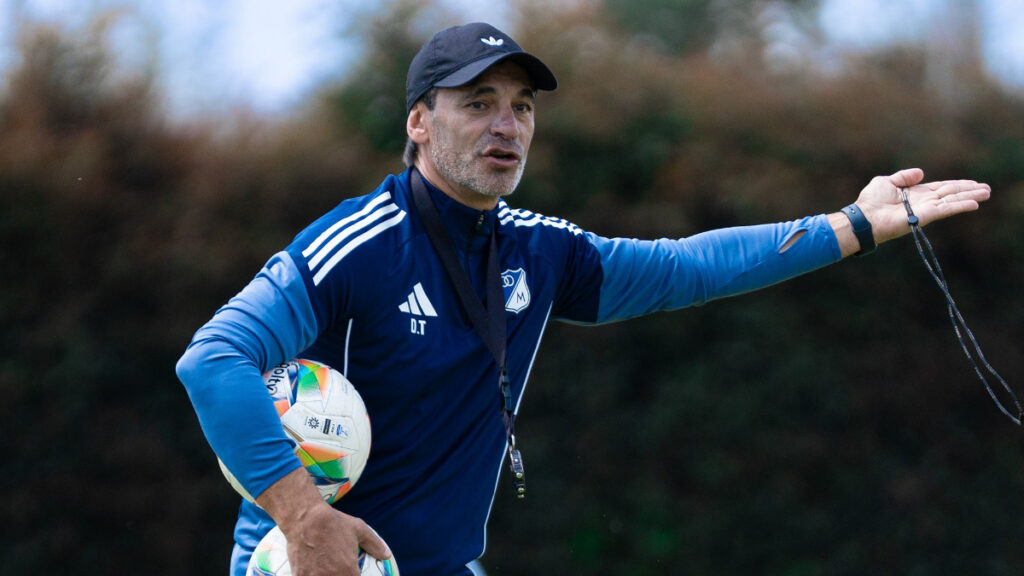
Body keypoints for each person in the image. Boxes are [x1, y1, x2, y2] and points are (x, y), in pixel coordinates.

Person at [175, 21, 991, 576]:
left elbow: (686, 268)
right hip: (311, 562)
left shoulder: (540, 249)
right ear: (420, 123)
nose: (507, 126)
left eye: (522, 107)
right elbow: (214, 361)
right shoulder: (357, 244)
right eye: (478, 103)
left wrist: (851, 223)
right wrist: (301, 516)